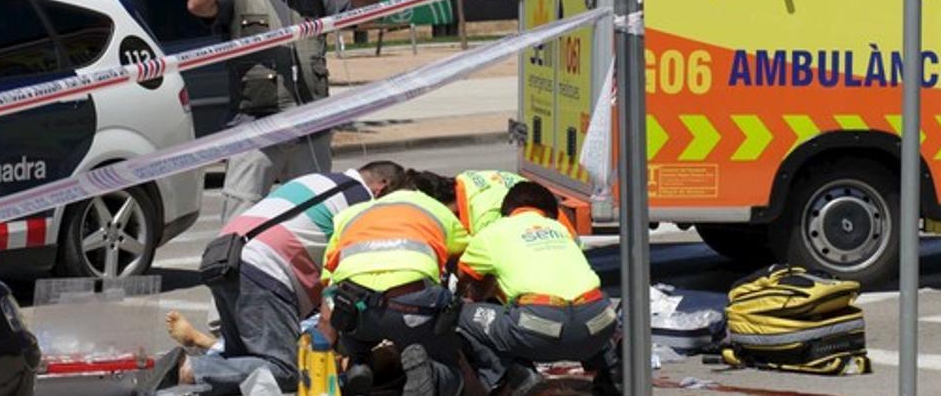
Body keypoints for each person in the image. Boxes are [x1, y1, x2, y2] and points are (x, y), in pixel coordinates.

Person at [187, 0, 379, 222]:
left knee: (315, 219)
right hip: (255, 131)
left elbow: (368, 17)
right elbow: (197, 4)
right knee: (241, 220)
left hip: (310, 131)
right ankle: (236, 271)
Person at [163, 161, 407, 396]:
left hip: (223, 255)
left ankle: (176, 373)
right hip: (263, 266)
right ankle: (187, 369)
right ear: (382, 187)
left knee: (240, 365)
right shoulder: (362, 204)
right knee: (286, 370)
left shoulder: (320, 179)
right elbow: (349, 278)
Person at [456, 182, 621, 396]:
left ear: (507, 211)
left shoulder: (493, 232)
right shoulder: (561, 229)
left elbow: (465, 277)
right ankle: (613, 373)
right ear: (549, 214)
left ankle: (515, 376)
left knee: (460, 313)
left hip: (539, 329)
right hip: (598, 324)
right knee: (589, 303)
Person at [321, 175, 470, 396]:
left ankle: (359, 364)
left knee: (354, 330)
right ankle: (433, 373)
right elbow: (467, 259)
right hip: (412, 308)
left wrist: (330, 338)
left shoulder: (351, 215)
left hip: (358, 309)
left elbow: (328, 282)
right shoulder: (435, 210)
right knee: (448, 360)